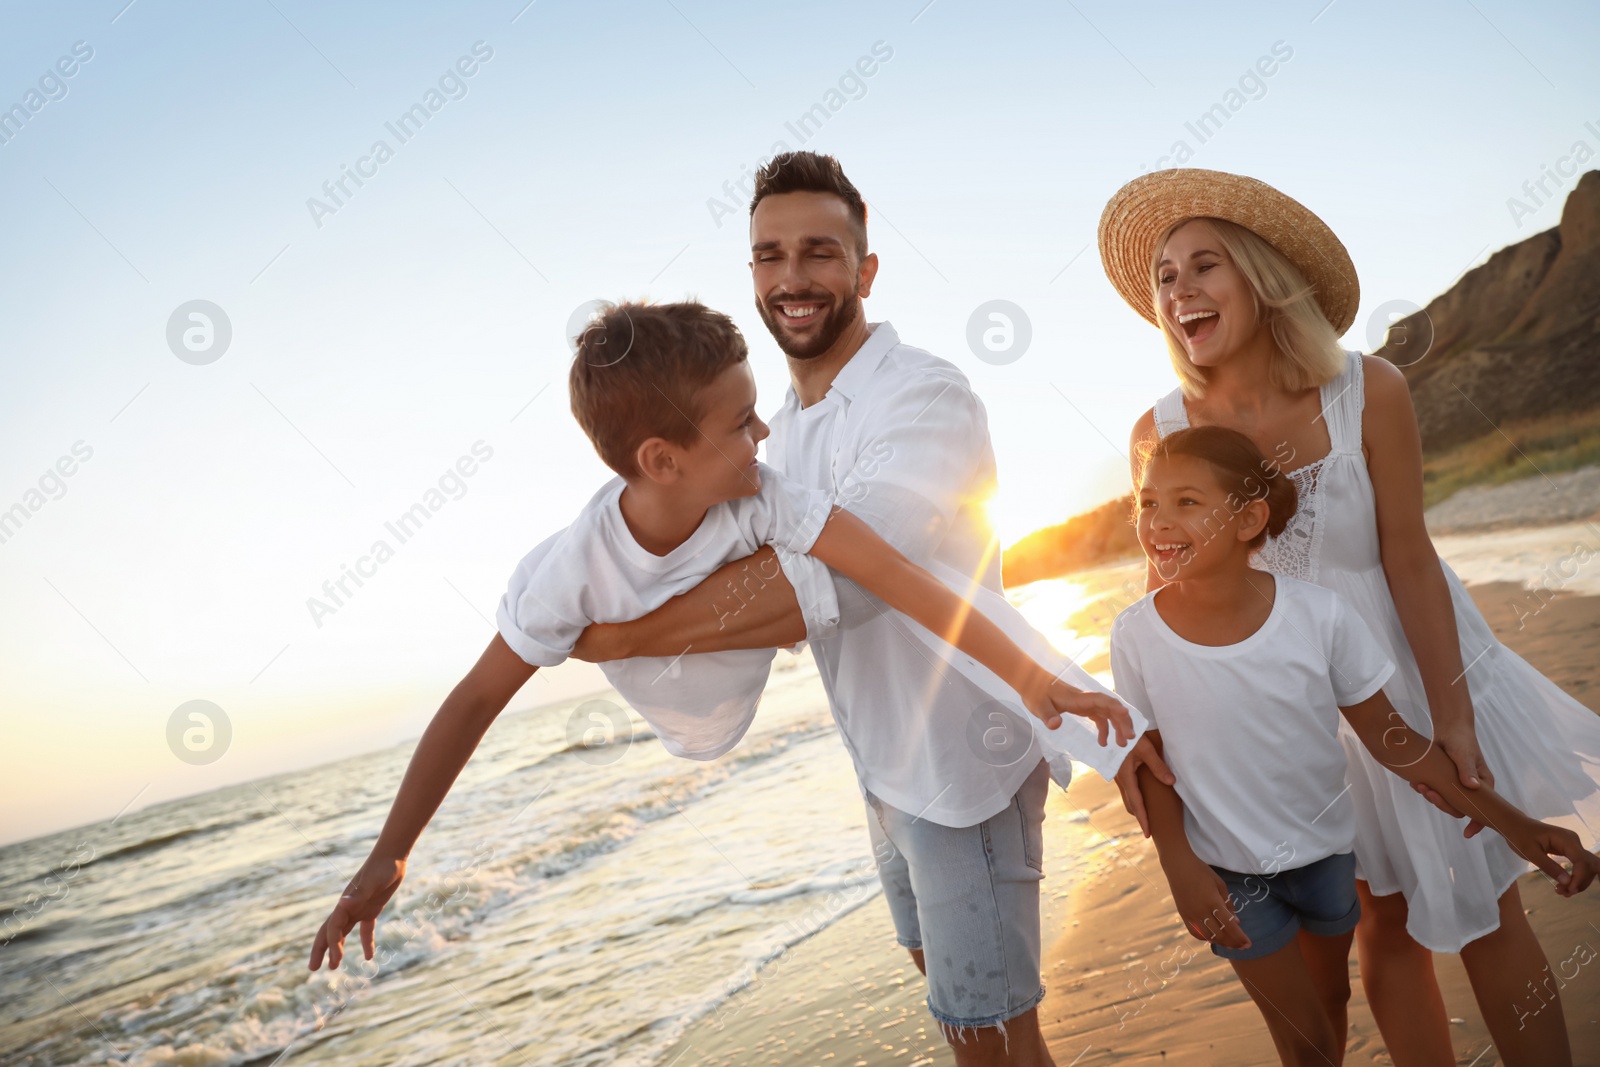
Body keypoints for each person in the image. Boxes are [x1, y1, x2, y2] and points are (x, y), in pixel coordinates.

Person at [306, 299, 1142, 985]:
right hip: (683, 721)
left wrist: (1035, 682)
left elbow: (896, 576)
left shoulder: (761, 496)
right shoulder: (570, 573)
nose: (765, 435)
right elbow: (476, 697)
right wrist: (390, 855)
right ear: (663, 460)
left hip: (767, 673)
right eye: (743, 423)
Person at [569, 152, 1173, 1066]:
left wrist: (618, 638)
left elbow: (837, 582)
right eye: (770, 256)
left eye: (819, 251)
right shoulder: (776, 426)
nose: (793, 277)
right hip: (882, 761)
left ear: (865, 269)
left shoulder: (921, 396)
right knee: (956, 1005)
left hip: (959, 758)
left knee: (992, 1035)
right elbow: (716, 564)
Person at [1100, 167, 1600, 1065]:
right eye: (1165, 278)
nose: (1179, 293)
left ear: (1260, 276)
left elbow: (1409, 556)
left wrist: (1450, 711)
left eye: (1203, 266)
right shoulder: (1160, 426)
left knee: (1489, 897)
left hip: (1413, 657)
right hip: (1288, 703)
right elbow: (1168, 588)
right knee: (1383, 917)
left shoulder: (1370, 388)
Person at [1112, 423, 1599, 1067]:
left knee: (1332, 1001)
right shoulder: (1135, 635)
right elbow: (1152, 763)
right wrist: (1180, 865)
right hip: (1227, 877)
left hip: (1327, 862)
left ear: (1249, 519)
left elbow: (1395, 741)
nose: (1158, 521)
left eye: (1187, 502)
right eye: (1147, 502)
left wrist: (1517, 824)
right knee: (1306, 1040)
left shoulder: (1319, 616)